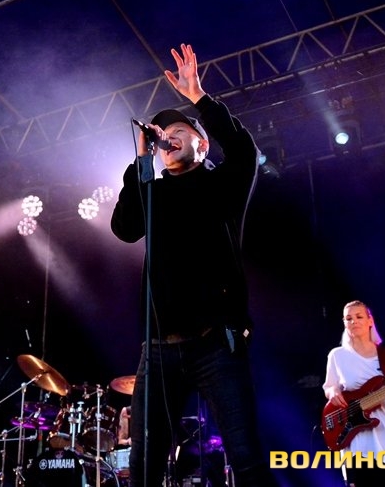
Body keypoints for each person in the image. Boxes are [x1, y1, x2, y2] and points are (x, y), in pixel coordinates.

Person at [110, 43, 275, 487]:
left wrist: (199, 98)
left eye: (179, 130)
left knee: (246, 455)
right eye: (164, 134)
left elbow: (242, 149)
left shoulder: (222, 185)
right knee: (144, 462)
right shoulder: (154, 192)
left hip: (215, 343)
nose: (169, 137)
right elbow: (124, 228)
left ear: (201, 144)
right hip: (158, 348)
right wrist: (141, 162)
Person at [322, 300, 385, 487]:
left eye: (359, 316)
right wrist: (333, 391)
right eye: (348, 318)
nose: (354, 321)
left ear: (370, 320)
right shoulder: (337, 356)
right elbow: (329, 387)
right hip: (358, 444)